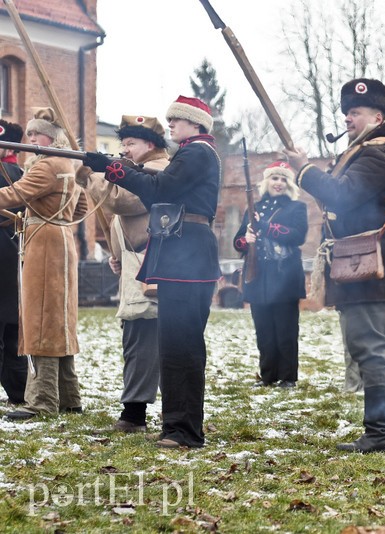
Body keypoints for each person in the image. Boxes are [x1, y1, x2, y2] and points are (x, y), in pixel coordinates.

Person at [284, 78, 385, 453]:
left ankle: (379, 431)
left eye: (356, 113)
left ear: (378, 116)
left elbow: (342, 197)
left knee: (369, 345)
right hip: (367, 260)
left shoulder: (379, 153)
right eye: (346, 112)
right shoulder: (363, 152)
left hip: (368, 262)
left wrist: (304, 171)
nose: (348, 118)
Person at [84, 96, 221, 448]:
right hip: (182, 251)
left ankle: (184, 431)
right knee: (175, 346)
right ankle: (177, 427)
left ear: (196, 124)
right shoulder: (191, 154)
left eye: (178, 120)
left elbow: (162, 188)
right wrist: (115, 167)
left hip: (187, 251)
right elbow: (158, 182)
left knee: (182, 347)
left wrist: (114, 170)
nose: (170, 125)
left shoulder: (197, 152)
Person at [77, 115, 169, 432]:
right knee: (135, 340)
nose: (126, 149)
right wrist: (116, 255)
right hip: (134, 263)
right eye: (124, 144)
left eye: (131, 143)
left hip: (149, 266)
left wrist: (96, 172)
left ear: (150, 144)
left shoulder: (158, 170)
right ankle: (134, 414)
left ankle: (133, 417)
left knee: (141, 340)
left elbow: (120, 201)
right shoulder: (135, 170)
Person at [2, 108, 86, 420]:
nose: (31, 139)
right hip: (61, 238)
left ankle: (42, 400)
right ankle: (68, 396)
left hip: (44, 244)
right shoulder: (68, 164)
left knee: (41, 317)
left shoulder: (46, 166)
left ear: (49, 137)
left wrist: (42, 220)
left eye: (36, 134)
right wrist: (58, 220)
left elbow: (15, 193)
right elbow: (82, 205)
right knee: (59, 318)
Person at [234, 161, 308, 388]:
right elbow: (237, 242)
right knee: (263, 329)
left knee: (286, 329)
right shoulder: (253, 207)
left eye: (284, 178)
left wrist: (263, 226)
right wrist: (247, 240)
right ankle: (268, 375)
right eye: (275, 178)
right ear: (267, 181)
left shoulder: (297, 208)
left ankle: (287, 377)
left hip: (284, 275)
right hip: (258, 276)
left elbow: (296, 236)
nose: (279, 183)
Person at [0, 119, 27, 405]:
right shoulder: (21, 171)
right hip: (16, 248)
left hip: (5, 247)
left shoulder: (12, 172)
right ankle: (18, 392)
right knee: (12, 326)